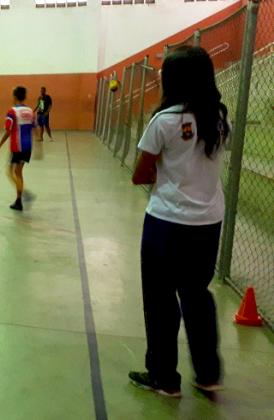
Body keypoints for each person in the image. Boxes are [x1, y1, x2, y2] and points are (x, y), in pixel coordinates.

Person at [129, 46, 231, 398]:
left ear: (173, 80)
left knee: (159, 299)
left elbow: (140, 175)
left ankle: (163, 377)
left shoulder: (165, 120)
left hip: (167, 223)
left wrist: (165, 169)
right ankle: (208, 373)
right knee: (197, 295)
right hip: (207, 222)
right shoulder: (218, 117)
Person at [0, 86, 34, 211]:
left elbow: (8, 132)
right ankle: (18, 201)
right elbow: (35, 128)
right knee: (18, 173)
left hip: (17, 147)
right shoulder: (30, 111)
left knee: (9, 172)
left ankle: (25, 193)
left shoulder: (12, 112)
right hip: (28, 147)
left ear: (15, 96)